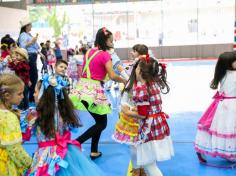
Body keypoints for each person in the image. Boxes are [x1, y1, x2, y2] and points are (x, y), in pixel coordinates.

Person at [21, 73, 104, 176]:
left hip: (46, 156)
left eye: (36, 92)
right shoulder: (64, 111)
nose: (33, 95)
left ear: (43, 95)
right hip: (65, 152)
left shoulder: (34, 114)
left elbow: (22, 137)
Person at [70, 27, 127, 160]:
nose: (113, 43)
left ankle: (94, 151)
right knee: (102, 123)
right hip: (94, 90)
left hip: (82, 87)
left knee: (99, 120)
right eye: (111, 41)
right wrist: (125, 80)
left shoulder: (89, 51)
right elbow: (112, 76)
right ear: (105, 41)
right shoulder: (105, 55)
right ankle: (76, 142)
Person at [122, 56, 174, 176]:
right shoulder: (153, 84)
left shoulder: (141, 88)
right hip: (158, 125)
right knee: (151, 162)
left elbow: (142, 114)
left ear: (140, 71)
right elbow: (150, 106)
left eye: (136, 67)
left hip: (149, 129)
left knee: (149, 165)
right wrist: (137, 108)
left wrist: (127, 111)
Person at [195, 52, 236, 164]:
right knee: (230, 128)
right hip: (232, 105)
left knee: (217, 128)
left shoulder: (223, 74)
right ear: (229, 64)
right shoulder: (234, 75)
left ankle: (203, 148)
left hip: (222, 104)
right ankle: (230, 152)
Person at [0, 73, 32, 175]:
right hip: (5, 166)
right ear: (7, 96)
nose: (23, 96)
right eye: (19, 94)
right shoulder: (8, 117)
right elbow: (14, 149)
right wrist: (30, 163)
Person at [18, 16, 40, 104]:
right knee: (32, 77)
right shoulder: (23, 35)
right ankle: (28, 97)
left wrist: (40, 53)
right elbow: (22, 47)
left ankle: (30, 96)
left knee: (34, 77)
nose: (31, 26)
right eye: (30, 25)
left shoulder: (29, 35)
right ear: (26, 26)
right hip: (29, 57)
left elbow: (36, 47)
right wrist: (32, 42)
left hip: (33, 56)